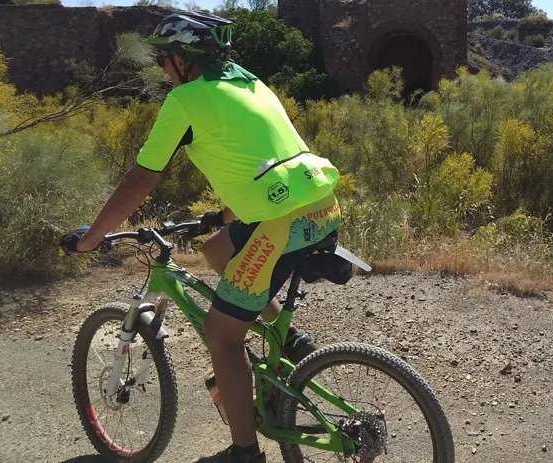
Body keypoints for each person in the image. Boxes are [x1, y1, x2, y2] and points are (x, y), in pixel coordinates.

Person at [59, 11, 343, 463]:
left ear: (184, 61)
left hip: (280, 223)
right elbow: (257, 159)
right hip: (321, 207)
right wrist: (223, 215)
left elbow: (138, 182)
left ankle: (245, 453)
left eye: (165, 61)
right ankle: (291, 342)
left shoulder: (186, 100)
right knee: (216, 250)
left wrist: (93, 238)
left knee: (221, 333)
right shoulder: (252, 85)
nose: (163, 70)